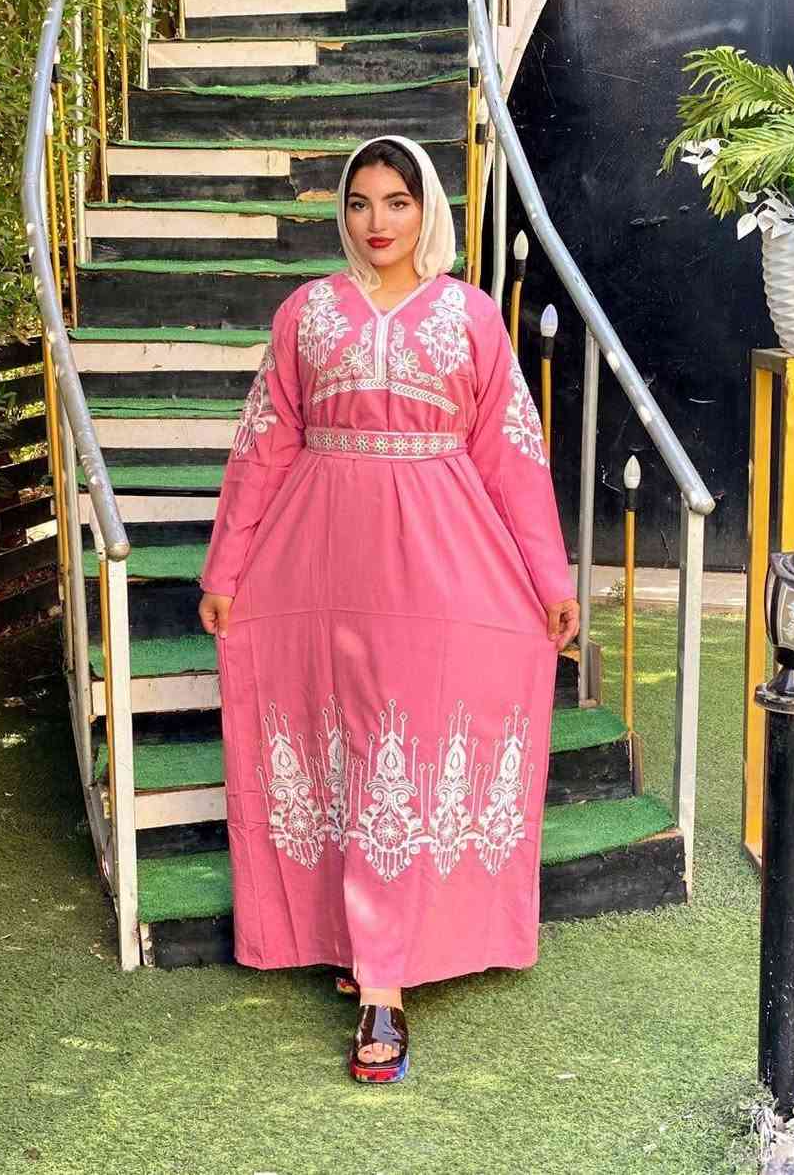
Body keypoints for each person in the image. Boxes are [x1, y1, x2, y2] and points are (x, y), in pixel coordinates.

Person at [198, 134, 580, 1085]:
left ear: (427, 211)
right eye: (361, 202)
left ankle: (382, 981)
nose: (377, 222)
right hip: (320, 563)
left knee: (406, 746)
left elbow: (512, 458)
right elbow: (263, 446)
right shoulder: (305, 313)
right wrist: (226, 569)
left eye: (397, 203)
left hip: (443, 568)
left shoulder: (472, 316)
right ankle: (371, 959)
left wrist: (551, 580)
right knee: (346, 742)